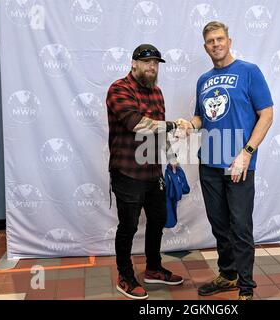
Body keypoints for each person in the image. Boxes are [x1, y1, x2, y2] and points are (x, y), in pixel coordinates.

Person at [178, 21, 274, 300]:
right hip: (208, 162)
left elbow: (266, 114)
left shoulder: (249, 72)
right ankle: (229, 274)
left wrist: (247, 152)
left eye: (220, 39)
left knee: (240, 227)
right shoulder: (203, 80)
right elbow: (201, 116)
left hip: (238, 164)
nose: (216, 44)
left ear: (229, 41)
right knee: (219, 224)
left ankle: (246, 288)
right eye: (210, 41)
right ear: (205, 47)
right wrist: (190, 125)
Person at [106, 44, 184, 300]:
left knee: (158, 221)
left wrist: (171, 157)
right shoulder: (119, 89)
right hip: (127, 172)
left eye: (156, 63)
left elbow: (159, 129)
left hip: (153, 173)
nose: (152, 67)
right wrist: (174, 124)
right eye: (147, 62)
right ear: (134, 63)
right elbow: (138, 124)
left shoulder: (157, 92)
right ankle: (125, 276)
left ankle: (153, 268)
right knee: (127, 226)